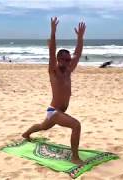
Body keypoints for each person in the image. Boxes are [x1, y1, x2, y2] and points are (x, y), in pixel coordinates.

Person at [22, 17, 86, 165]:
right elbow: (51, 52)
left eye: (69, 60)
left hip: (56, 112)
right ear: (58, 60)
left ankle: (26, 133)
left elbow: (78, 53)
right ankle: (75, 157)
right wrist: (53, 32)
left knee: (43, 127)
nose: (68, 62)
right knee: (76, 125)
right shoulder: (53, 71)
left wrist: (80, 38)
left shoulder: (69, 70)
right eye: (65, 59)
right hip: (55, 111)